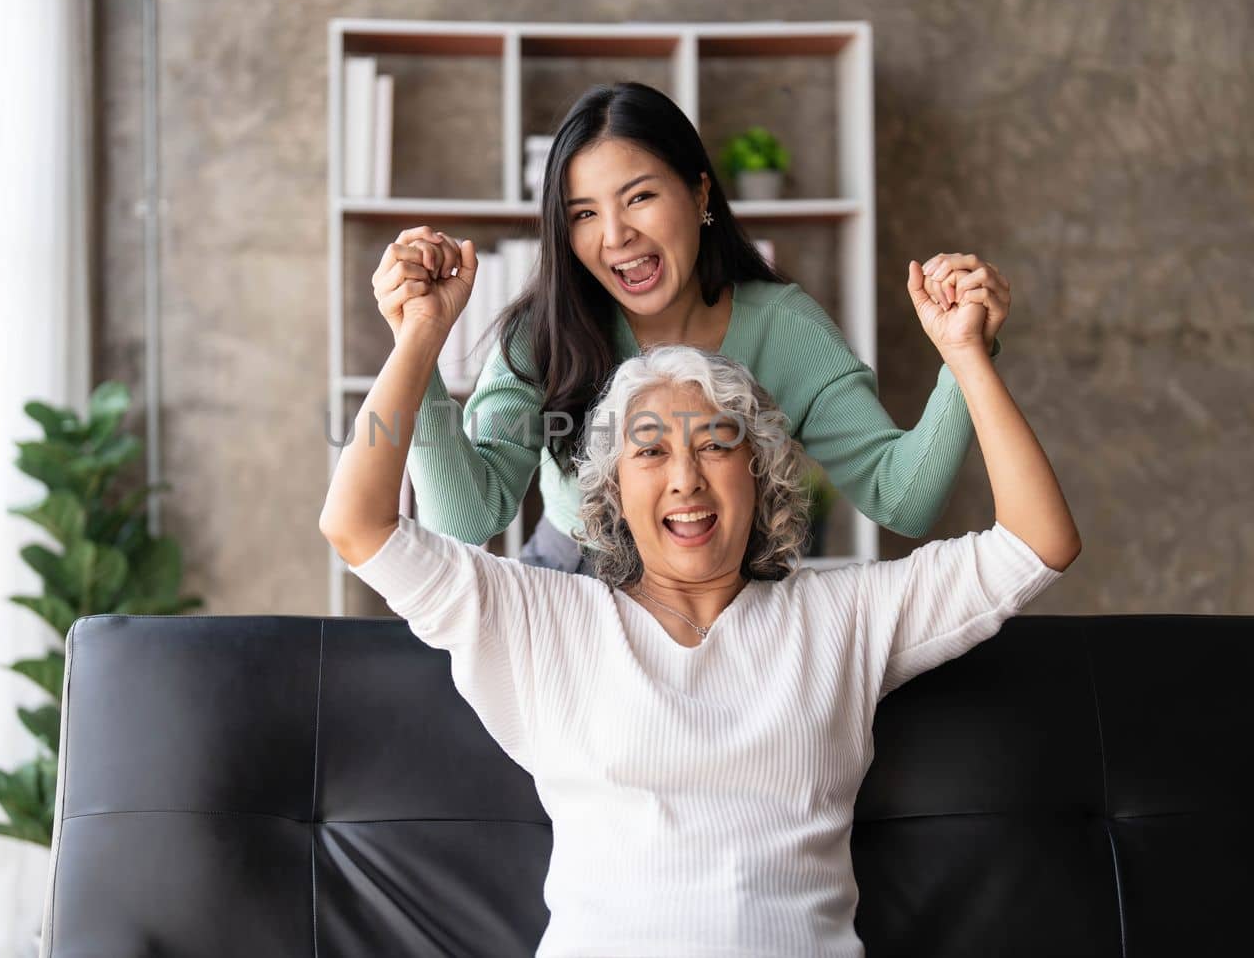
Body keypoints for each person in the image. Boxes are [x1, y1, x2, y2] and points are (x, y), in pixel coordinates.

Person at [320, 240, 1080, 957]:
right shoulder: (542, 617)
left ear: (762, 471)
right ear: (613, 489)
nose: (685, 477)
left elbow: (1039, 541)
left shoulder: (844, 617)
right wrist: (419, 335)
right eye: (650, 451)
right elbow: (357, 524)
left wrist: (967, 356)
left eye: (716, 444)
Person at [369, 80, 1013, 573]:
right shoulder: (545, 332)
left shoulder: (784, 327)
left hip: (723, 589)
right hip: (570, 584)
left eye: (640, 197)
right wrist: (418, 347)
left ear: (700, 194)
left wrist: (965, 358)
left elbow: (901, 497)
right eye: (584, 213)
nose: (616, 235)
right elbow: (465, 520)